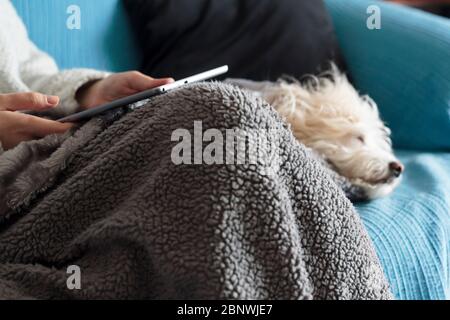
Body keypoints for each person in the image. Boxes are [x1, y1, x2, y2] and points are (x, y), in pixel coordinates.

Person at [0, 0, 173, 151]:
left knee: (185, 108)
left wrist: (89, 90)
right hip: (25, 169)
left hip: (51, 145)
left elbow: (29, 74)